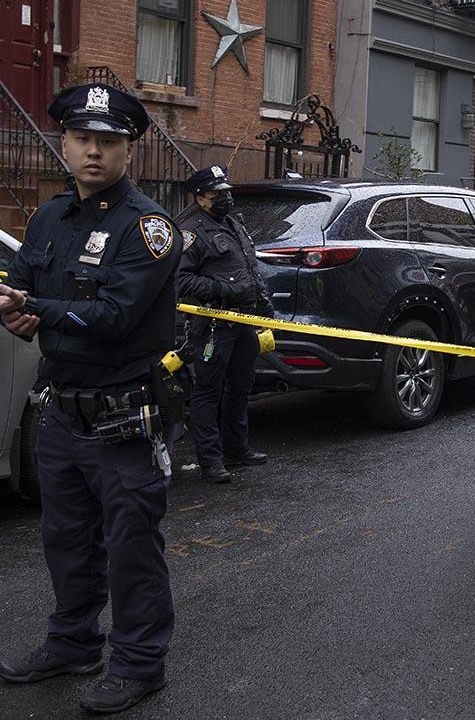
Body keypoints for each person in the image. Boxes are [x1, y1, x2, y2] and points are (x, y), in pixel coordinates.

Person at [0, 83, 179, 713]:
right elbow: (18, 286)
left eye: (108, 141)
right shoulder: (49, 216)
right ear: (65, 143)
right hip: (62, 414)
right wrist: (15, 314)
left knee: (131, 544)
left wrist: (36, 312)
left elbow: (113, 317)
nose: (94, 152)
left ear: (128, 149)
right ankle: (73, 642)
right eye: (83, 139)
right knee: (65, 539)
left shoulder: (150, 228)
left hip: (123, 417)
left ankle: (139, 662)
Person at [178, 166, 272, 484]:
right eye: (217, 194)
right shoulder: (191, 233)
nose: (225, 198)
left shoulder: (233, 224)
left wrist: (263, 306)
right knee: (208, 392)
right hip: (214, 324)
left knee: (241, 388)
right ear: (201, 198)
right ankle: (210, 460)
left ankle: (237, 449)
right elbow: (181, 281)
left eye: (226, 192)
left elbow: (250, 268)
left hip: (243, 321)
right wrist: (224, 290)